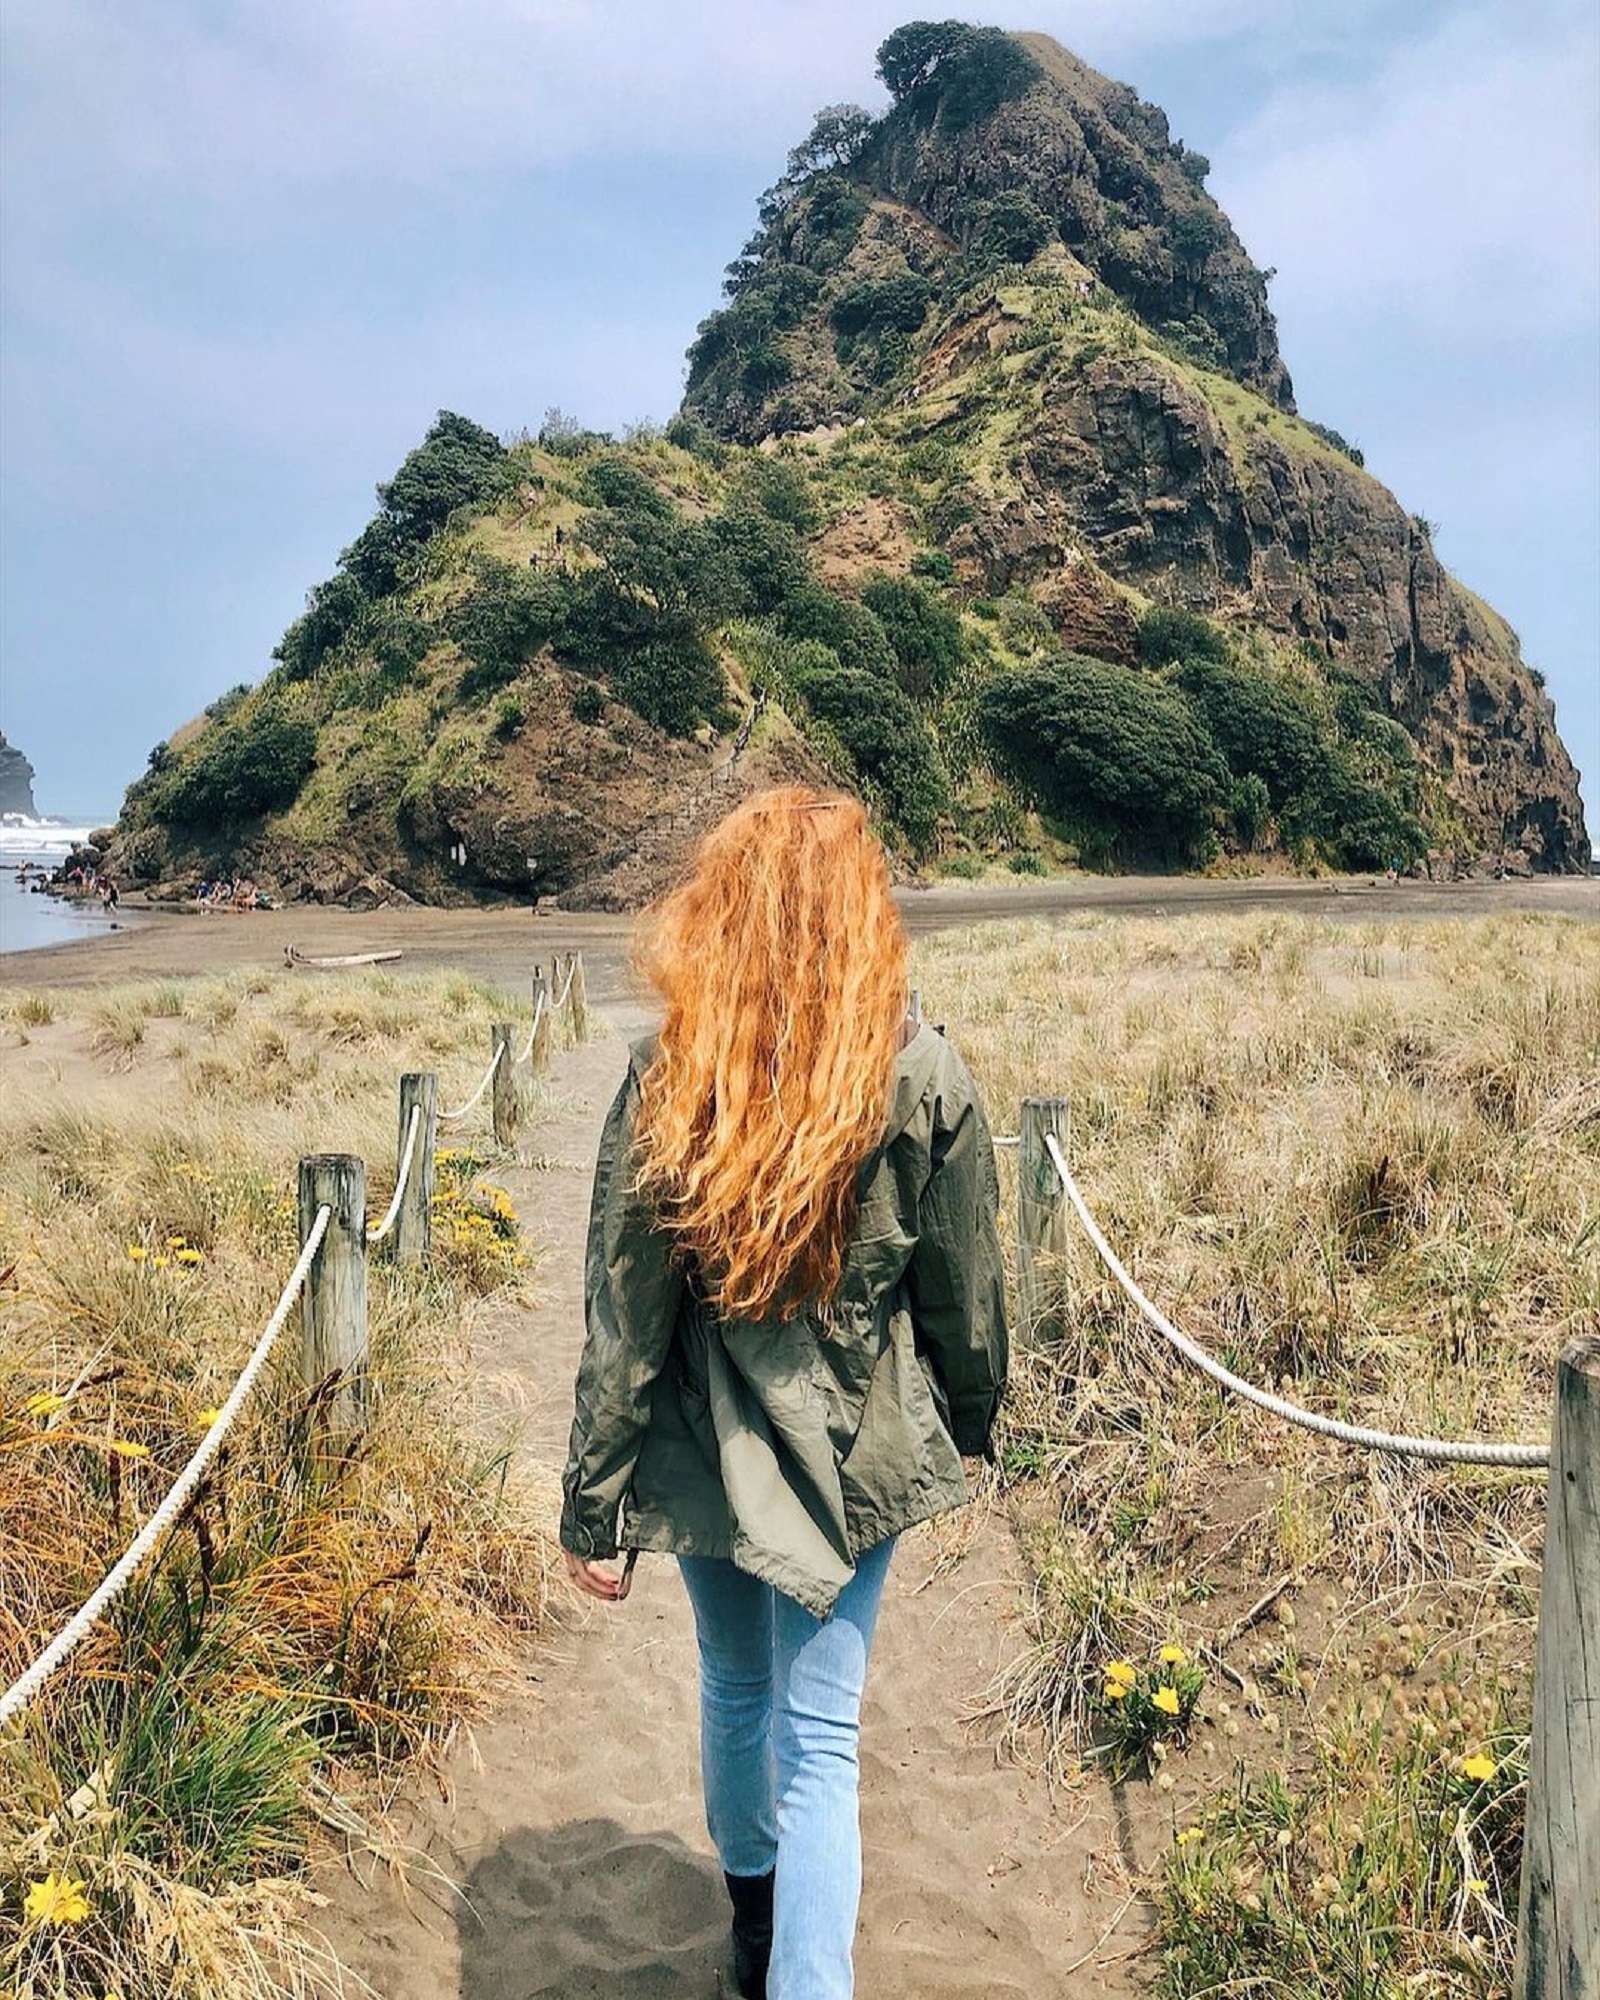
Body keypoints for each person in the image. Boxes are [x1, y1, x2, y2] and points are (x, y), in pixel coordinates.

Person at [559, 787, 1008, 2000]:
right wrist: (971, 1420)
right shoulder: (924, 1070)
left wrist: (592, 1500)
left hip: (709, 1438)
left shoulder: (673, 1067)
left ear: (724, 910)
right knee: (823, 1739)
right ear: (863, 915)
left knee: (734, 1679)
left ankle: (751, 1923)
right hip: (857, 1446)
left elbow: (625, 1304)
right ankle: (793, 1964)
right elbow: (964, 1289)